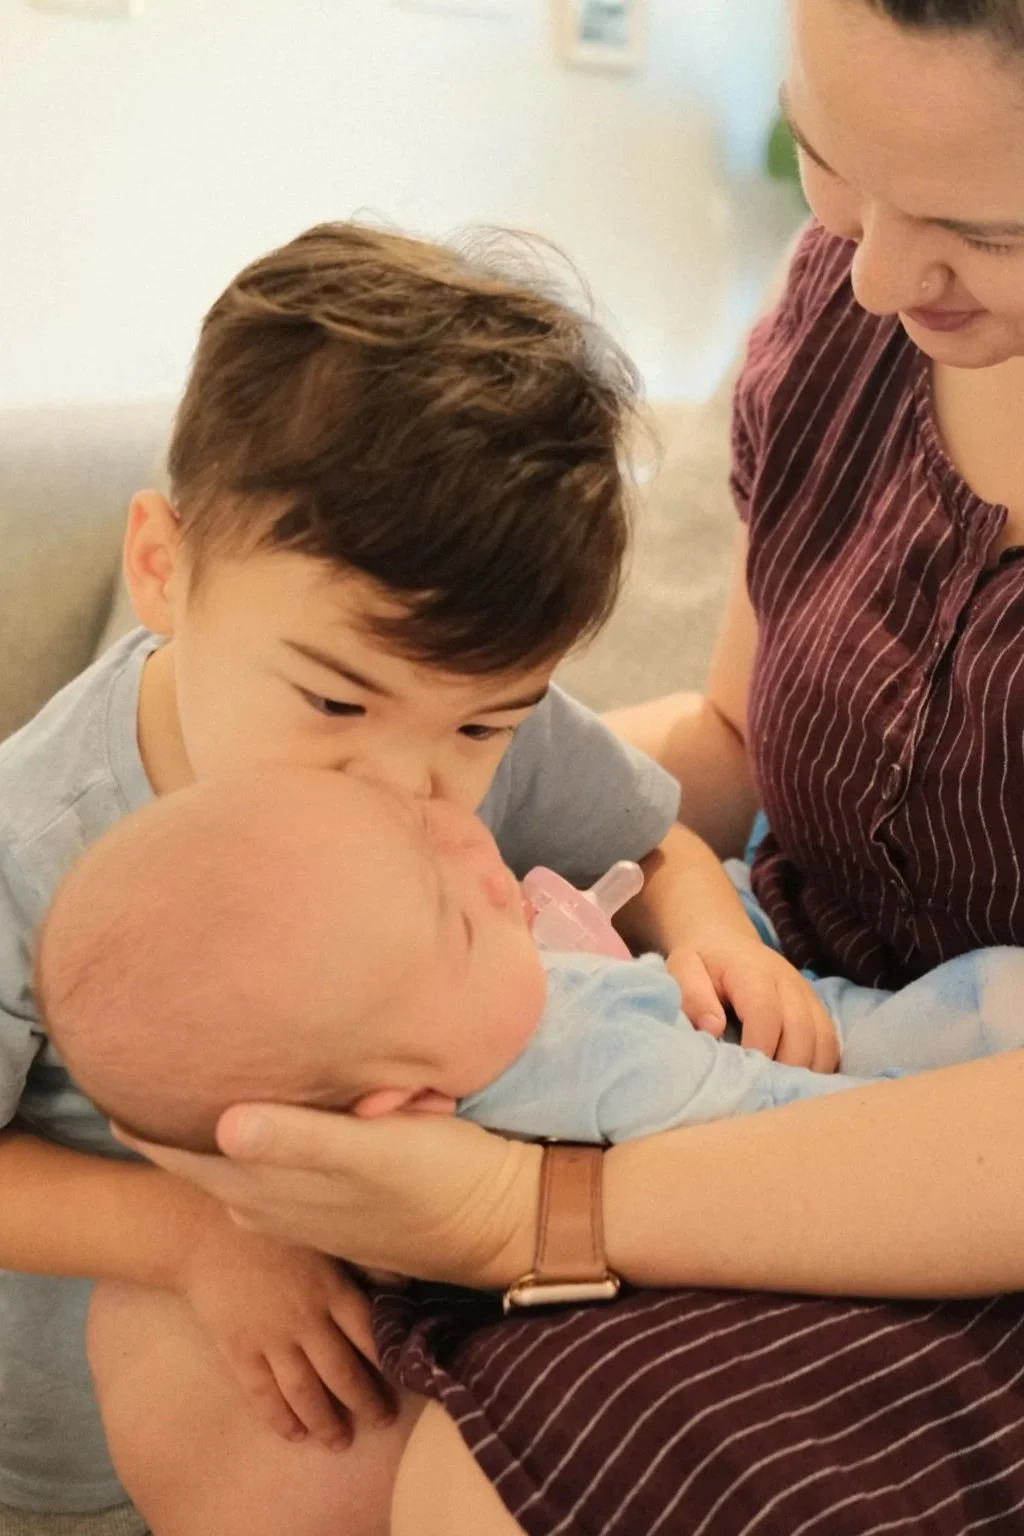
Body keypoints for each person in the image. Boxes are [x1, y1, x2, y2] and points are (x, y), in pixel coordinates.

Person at [126, 2, 1024, 1533]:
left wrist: (523, 1215)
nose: (871, 268)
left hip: (958, 1168)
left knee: (507, 1481)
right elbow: (736, 744)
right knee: (200, 1356)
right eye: (830, 160)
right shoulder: (848, 314)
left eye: (982, 228)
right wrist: (440, 786)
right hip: (769, 999)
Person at [0, 215, 788, 1534]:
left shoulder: (450, 724)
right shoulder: (36, 833)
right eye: (333, 702)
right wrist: (193, 1243)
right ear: (161, 568)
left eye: (482, 726)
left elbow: (648, 844)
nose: (413, 789)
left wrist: (720, 934)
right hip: (106, 1416)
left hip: (407, 1316)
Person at [37, 770, 1024, 1160]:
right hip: (847, 1080)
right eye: (455, 923)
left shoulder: (463, 1014)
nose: (478, 854)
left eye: (414, 827)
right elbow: (810, 1138)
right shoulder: (597, 1076)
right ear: (409, 1100)